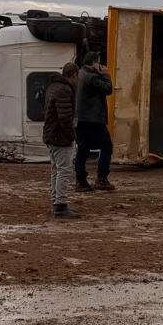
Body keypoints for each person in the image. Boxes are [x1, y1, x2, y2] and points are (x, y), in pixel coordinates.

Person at [74, 52, 115, 191]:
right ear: (94, 63)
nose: (101, 65)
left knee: (83, 149)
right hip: (93, 119)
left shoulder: (80, 74)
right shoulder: (91, 77)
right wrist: (106, 74)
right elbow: (108, 89)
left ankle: (80, 180)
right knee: (107, 147)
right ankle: (101, 179)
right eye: (99, 62)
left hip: (81, 119)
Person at [42, 67, 79, 218]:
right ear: (73, 75)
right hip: (60, 136)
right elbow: (65, 117)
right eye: (77, 76)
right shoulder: (64, 90)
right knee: (64, 171)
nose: (78, 80)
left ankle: (56, 201)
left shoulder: (53, 87)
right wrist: (71, 135)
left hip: (51, 134)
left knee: (56, 170)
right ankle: (61, 205)